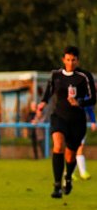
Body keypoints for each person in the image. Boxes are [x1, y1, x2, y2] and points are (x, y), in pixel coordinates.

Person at [35, 46, 96, 198]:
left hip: (77, 121)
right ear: (63, 59)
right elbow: (49, 91)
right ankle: (56, 186)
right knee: (57, 145)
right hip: (59, 117)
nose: (70, 63)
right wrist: (42, 103)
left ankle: (68, 177)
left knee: (70, 156)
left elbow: (93, 99)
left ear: (78, 60)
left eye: (73, 60)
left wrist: (79, 102)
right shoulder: (56, 75)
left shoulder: (84, 76)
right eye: (68, 60)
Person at [73, 105, 96, 180]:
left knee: (77, 149)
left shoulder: (86, 98)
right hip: (73, 125)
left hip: (82, 125)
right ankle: (82, 172)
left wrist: (93, 121)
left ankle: (70, 172)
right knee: (78, 149)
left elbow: (89, 110)